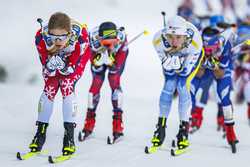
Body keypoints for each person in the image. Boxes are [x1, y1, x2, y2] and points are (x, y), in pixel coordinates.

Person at [27, 12, 90, 156]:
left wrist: (63, 67)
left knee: (67, 85)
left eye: (61, 37)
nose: (57, 41)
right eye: (53, 37)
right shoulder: (41, 38)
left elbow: (72, 68)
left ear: (69, 34)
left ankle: (69, 137)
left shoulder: (81, 38)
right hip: (53, 55)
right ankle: (40, 134)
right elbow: (46, 68)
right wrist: (50, 66)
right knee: (49, 89)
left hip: (76, 57)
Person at [146, 15, 203, 154]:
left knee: (182, 86)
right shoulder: (158, 40)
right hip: (172, 57)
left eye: (178, 37)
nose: (174, 41)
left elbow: (184, 71)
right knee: (169, 86)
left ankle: (183, 132)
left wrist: (178, 64)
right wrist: (171, 62)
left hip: (190, 56)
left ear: (185, 36)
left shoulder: (195, 43)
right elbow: (168, 70)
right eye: (171, 37)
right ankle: (160, 129)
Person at [78, 22, 128, 142]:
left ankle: (118, 124)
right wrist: (96, 61)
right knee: (95, 85)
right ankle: (88, 123)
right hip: (97, 55)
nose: (110, 46)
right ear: (99, 38)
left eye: (113, 43)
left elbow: (119, 60)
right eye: (106, 43)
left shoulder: (121, 39)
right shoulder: (92, 41)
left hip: (115, 58)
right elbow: (91, 60)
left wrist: (113, 63)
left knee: (114, 81)